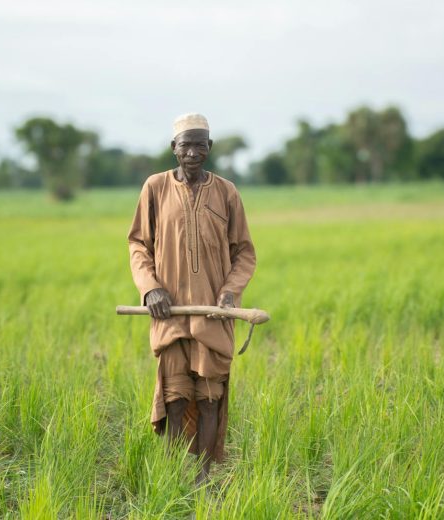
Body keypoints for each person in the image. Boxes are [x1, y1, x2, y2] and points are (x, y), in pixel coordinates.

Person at [128, 113, 256, 484]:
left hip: (214, 315)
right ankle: (170, 477)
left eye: (201, 144)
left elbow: (244, 252)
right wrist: (150, 287)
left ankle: (203, 478)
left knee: (210, 396)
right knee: (175, 396)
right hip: (169, 314)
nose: (194, 152)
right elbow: (138, 243)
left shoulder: (227, 192)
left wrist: (230, 293)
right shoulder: (155, 188)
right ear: (174, 149)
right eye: (186, 144)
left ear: (210, 148)